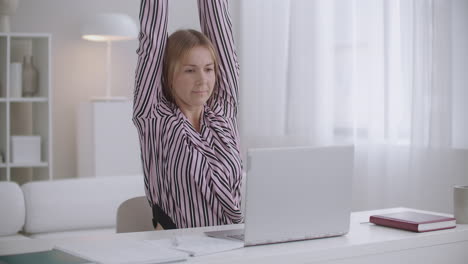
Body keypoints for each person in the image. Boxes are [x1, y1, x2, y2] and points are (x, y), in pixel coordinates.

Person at [133, 0, 243, 229]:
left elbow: (222, 33)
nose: (203, 80)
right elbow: (150, 45)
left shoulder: (224, 111)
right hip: (180, 249)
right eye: (190, 70)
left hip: (235, 244)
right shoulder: (154, 117)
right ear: (169, 74)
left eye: (208, 69)